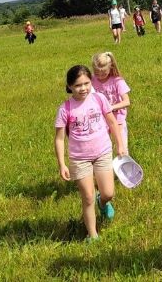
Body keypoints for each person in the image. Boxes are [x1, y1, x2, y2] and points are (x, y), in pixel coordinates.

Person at [54, 64, 127, 241]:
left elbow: (112, 122)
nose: (83, 88)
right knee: (87, 197)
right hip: (80, 159)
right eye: (78, 85)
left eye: (87, 83)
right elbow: (59, 139)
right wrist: (62, 164)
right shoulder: (65, 109)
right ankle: (92, 235)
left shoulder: (99, 99)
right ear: (70, 86)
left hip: (102, 152)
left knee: (108, 193)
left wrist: (120, 145)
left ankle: (102, 203)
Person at [91, 51, 132, 149]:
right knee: (103, 148)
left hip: (118, 119)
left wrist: (111, 107)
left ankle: (122, 162)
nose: (100, 76)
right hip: (101, 120)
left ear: (111, 68)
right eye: (97, 73)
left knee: (121, 147)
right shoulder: (92, 80)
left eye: (104, 73)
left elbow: (127, 101)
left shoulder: (117, 81)